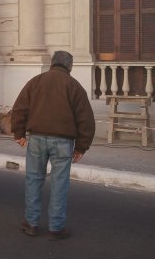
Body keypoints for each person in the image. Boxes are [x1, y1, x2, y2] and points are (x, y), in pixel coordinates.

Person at [11, 51, 95, 240]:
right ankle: (56, 227)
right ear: (70, 67)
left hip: (37, 139)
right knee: (60, 184)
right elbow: (86, 119)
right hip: (63, 143)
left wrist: (18, 133)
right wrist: (82, 146)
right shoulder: (74, 86)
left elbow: (20, 108)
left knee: (33, 180)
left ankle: (31, 223)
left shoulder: (36, 81)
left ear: (51, 63)